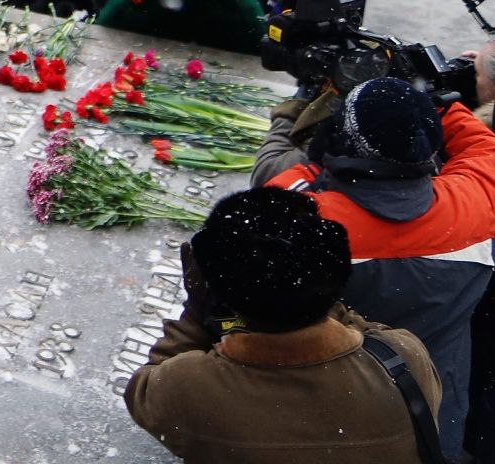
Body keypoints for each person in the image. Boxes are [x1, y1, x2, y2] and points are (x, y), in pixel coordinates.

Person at [257, 78, 495, 460]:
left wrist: (321, 156)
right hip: (430, 426)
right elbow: (483, 148)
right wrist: (439, 107)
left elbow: (271, 188)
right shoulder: (477, 205)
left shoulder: (301, 223)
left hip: (323, 424)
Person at [124, 186, 443, 464]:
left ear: (214, 287)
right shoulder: (402, 358)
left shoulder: (190, 389)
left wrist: (197, 309)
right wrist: (310, 286)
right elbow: (352, 329)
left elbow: (146, 390)